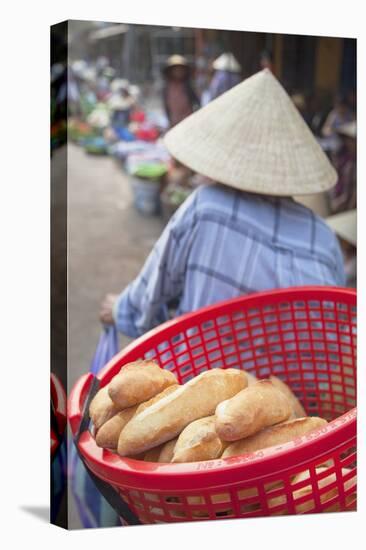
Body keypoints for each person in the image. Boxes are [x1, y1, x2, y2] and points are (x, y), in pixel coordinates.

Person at [100, 69, 345, 337]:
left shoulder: (207, 208)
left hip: (204, 374)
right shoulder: (322, 235)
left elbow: (150, 296)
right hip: (301, 379)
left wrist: (120, 310)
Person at [162, 54, 199, 128]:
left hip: (188, 121)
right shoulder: (167, 87)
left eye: (181, 70)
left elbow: (196, 102)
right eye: (176, 70)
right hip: (174, 122)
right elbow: (166, 106)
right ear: (171, 71)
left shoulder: (187, 86)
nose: (178, 72)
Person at [328, 121, 356, 214]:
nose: (348, 143)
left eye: (351, 140)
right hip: (338, 196)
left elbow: (352, 194)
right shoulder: (343, 156)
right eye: (347, 139)